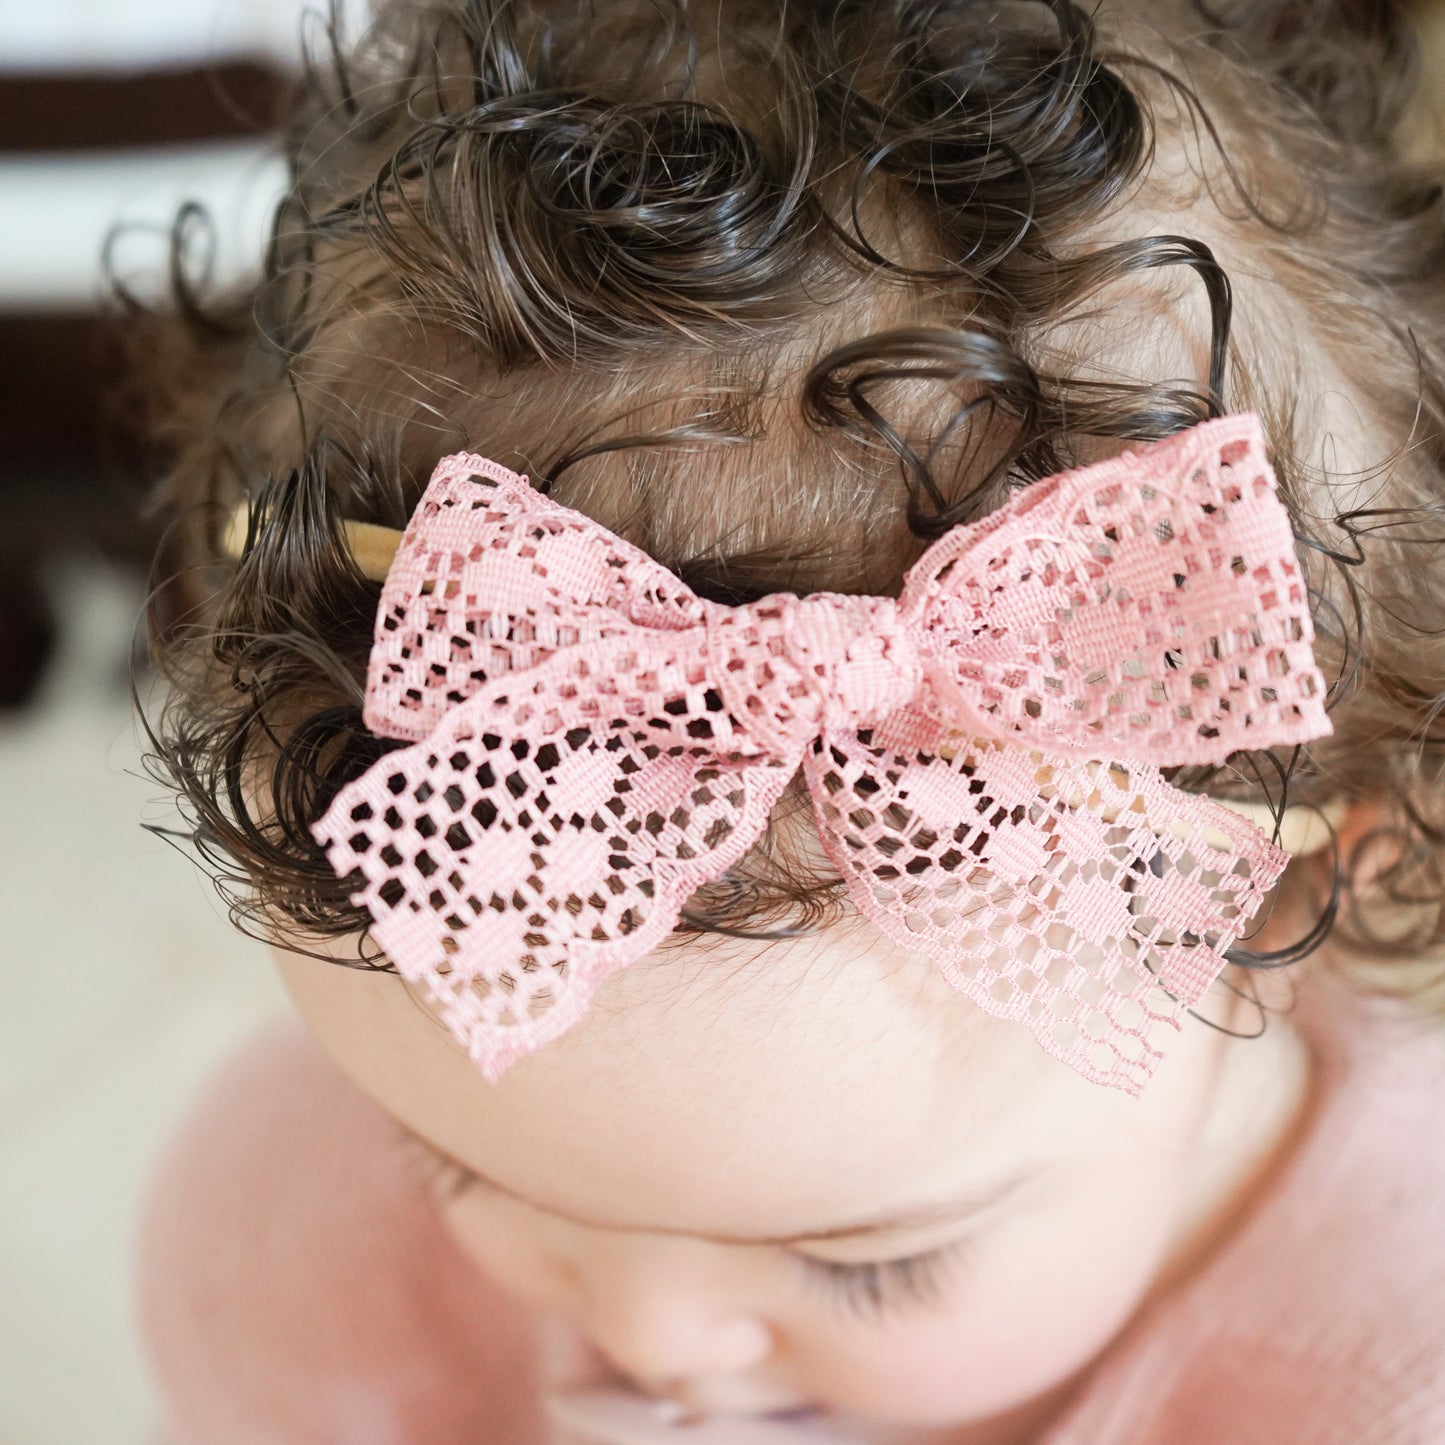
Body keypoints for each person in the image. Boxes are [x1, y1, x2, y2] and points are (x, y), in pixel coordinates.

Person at [134, 1, 1445, 1440]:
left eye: (867, 1263)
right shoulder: (296, 1255)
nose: (644, 1339)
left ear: (1291, 895)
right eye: (460, 1166)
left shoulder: (1380, 1380)